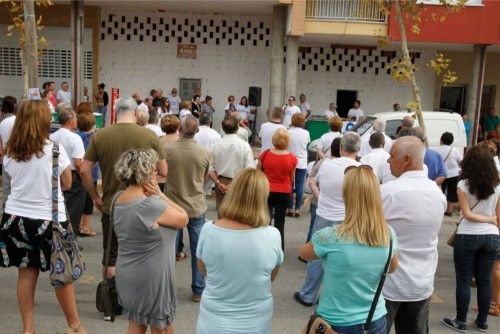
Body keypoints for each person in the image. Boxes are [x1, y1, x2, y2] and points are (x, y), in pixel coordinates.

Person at [0, 100, 87, 334]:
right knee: (62, 274)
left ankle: (28, 329)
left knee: (26, 274)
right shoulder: (54, 150)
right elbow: (67, 183)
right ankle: (74, 325)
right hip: (50, 219)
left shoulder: (10, 152)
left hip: (16, 217)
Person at [80, 97, 167, 320]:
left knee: (111, 255)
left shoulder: (100, 135)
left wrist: (94, 196)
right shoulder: (149, 135)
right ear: (136, 113)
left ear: (115, 112)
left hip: (113, 205)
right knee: (142, 254)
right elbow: (164, 169)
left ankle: (112, 306)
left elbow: (84, 170)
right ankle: (139, 302)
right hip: (144, 205)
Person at [299, 167, 399, 333]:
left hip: (335, 320)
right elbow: (392, 268)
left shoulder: (329, 237)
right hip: (374, 318)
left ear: (346, 195)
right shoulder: (388, 233)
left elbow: (303, 253)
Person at [196, 168, 283, 334]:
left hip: (214, 320)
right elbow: (271, 276)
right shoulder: (272, 235)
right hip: (256, 321)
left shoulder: (208, 230)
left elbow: (203, 269)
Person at [113, 149, 188, 334]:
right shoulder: (149, 205)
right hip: (152, 278)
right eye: (154, 170)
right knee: (161, 326)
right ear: (144, 173)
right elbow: (183, 218)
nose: (157, 173)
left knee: (136, 321)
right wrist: (160, 195)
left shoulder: (118, 199)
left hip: (127, 272)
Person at [381, 136, 446, 334]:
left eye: (391, 156)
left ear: (406, 159)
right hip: (421, 283)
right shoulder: (438, 195)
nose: (388, 160)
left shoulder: (387, 192)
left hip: (388, 285)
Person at [294, 132, 361, 307]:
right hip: (347, 218)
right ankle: (335, 298)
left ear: (340, 147)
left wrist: (321, 197)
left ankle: (308, 294)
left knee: (317, 256)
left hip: (324, 215)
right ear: (358, 149)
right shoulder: (361, 168)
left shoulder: (327, 165)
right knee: (343, 259)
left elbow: (313, 182)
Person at [441, 146, 499, 332]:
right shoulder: (497, 186)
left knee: (464, 280)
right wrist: (491, 220)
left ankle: (461, 320)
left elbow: (466, 214)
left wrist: (488, 218)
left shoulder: (463, 184)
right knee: (484, 281)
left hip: (468, 235)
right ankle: (482, 321)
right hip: (491, 236)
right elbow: (498, 216)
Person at [164, 115, 210, 302]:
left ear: (180, 129)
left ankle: (166, 289)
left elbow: (162, 171)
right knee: (197, 250)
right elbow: (206, 176)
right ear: (197, 130)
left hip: (173, 205)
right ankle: (198, 289)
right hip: (196, 205)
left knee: (168, 250)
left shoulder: (168, 149)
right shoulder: (204, 152)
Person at [50, 103, 87, 240]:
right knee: (74, 210)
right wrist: (84, 177)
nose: (76, 121)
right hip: (73, 176)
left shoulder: (53, 136)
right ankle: (70, 239)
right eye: (75, 118)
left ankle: (57, 236)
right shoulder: (75, 138)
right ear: (70, 120)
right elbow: (78, 162)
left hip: (57, 174)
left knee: (59, 207)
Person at [258, 128, 297, 251]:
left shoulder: (265, 154)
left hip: (267, 190)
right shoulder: (292, 158)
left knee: (265, 222)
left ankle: (264, 248)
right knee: (280, 223)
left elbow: (258, 172)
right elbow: (292, 178)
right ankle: (279, 249)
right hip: (284, 192)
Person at [208, 115, 255, 215]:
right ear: (238, 127)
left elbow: (210, 169)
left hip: (220, 182)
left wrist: (217, 183)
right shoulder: (244, 145)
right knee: (238, 215)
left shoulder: (215, 145)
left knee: (222, 215)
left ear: (223, 129)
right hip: (239, 181)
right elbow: (250, 169)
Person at [304, 137, 341, 244]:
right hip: (336, 205)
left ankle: (309, 248)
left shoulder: (321, 163)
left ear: (331, 149)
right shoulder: (345, 166)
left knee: (314, 226)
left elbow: (311, 180)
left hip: (317, 200)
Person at [75, 112, 98, 237]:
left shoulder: (75, 135)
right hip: (91, 172)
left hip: (77, 172)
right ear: (92, 125)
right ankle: (86, 226)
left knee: (79, 200)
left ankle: (77, 225)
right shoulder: (92, 138)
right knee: (89, 201)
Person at [432, 132, 463, 216]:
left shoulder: (436, 150)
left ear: (441, 140)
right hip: (454, 174)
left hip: (440, 175)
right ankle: (449, 211)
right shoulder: (455, 150)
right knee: (451, 192)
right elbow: (461, 162)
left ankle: (439, 209)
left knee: (440, 192)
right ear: (451, 141)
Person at [287, 113, 311, 217]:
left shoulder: (288, 132)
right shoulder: (306, 133)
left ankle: (290, 207)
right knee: (300, 185)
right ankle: (297, 209)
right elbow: (307, 144)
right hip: (302, 161)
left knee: (290, 184)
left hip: (290, 160)